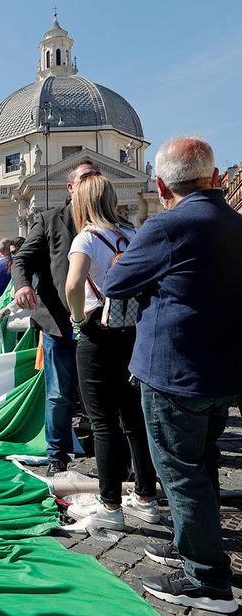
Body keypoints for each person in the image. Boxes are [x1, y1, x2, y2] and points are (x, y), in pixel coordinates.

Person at [104, 137, 241, 614]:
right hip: (221, 371)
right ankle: (193, 550)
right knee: (201, 466)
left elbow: (117, 282)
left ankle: (206, 579)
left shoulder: (168, 225)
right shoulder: (234, 223)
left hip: (173, 371)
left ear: (161, 185)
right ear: (217, 178)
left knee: (181, 476)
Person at [64, 175, 158, 530]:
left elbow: (73, 284)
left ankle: (110, 504)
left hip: (97, 334)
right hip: (133, 333)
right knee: (135, 420)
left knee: (103, 422)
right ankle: (146, 497)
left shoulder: (86, 238)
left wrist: (76, 318)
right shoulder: (134, 236)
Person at [11, 159, 100, 476]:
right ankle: (57, 455)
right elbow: (21, 260)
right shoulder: (49, 221)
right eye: (86, 178)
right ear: (71, 187)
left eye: (96, 177)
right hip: (60, 325)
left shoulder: (107, 222)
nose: (92, 182)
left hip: (100, 326)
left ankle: (105, 451)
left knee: (100, 395)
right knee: (59, 394)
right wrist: (21, 286)